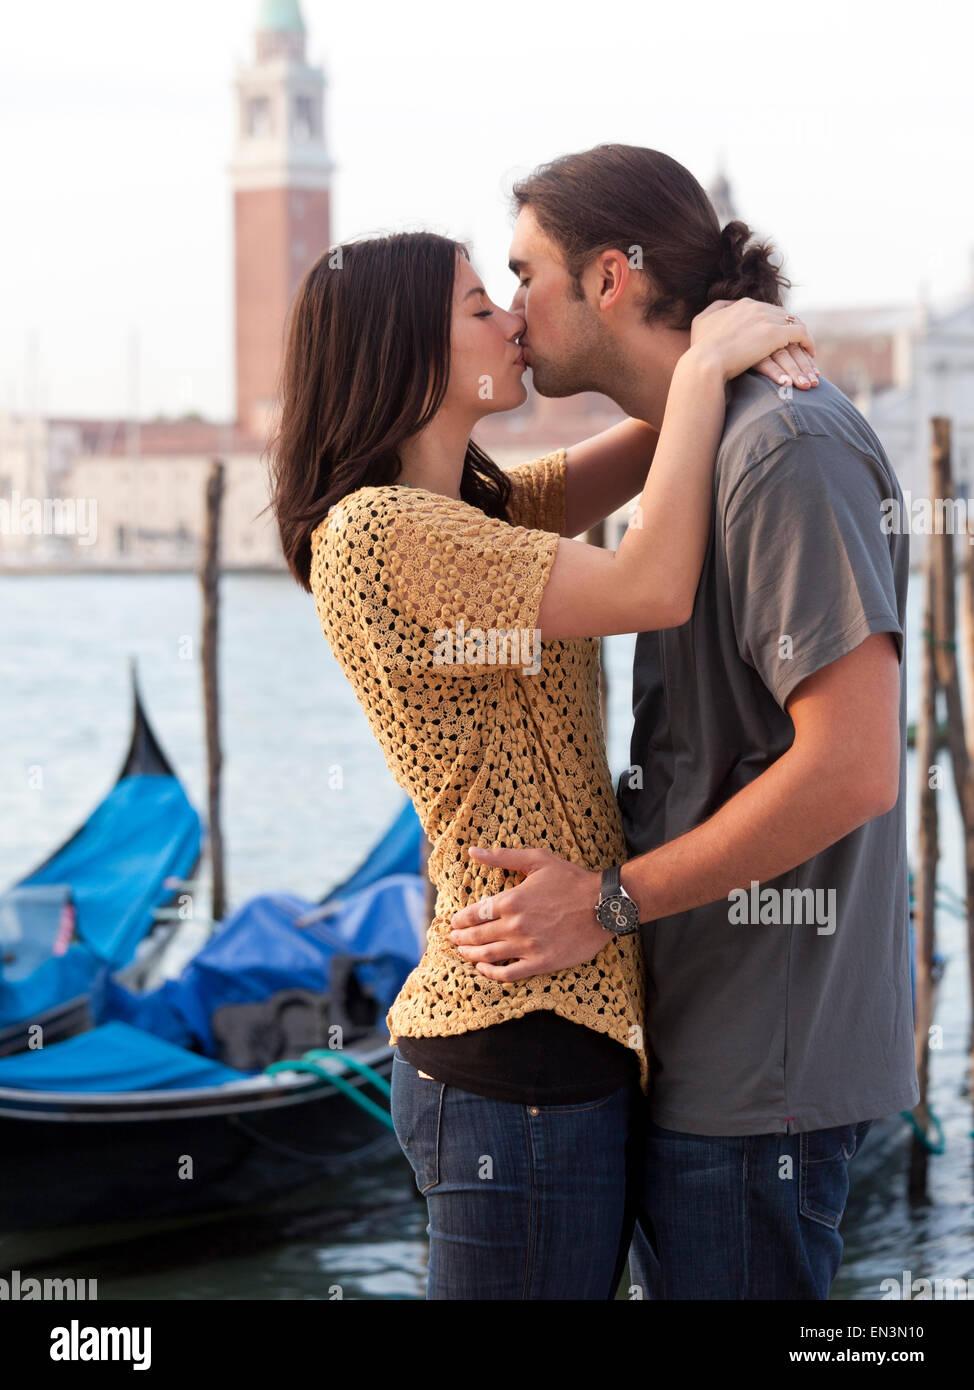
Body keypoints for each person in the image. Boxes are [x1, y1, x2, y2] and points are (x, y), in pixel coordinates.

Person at [267, 226, 817, 1299]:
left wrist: (734, 328)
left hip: (560, 1030)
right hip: (507, 1046)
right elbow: (652, 584)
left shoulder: (478, 509)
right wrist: (709, 360)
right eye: (482, 307)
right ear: (408, 358)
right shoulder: (380, 533)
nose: (513, 320)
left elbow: (665, 429)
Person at [448, 144, 919, 1300]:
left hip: (763, 1070)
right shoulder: (704, 440)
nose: (511, 313)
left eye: (523, 274)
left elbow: (854, 766)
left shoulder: (780, 448)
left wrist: (603, 902)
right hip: (697, 1042)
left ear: (610, 277)